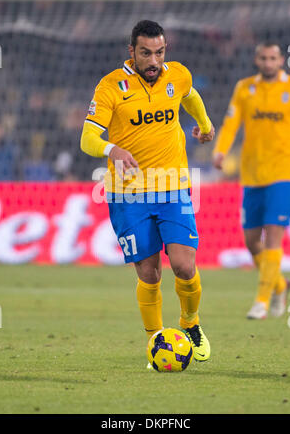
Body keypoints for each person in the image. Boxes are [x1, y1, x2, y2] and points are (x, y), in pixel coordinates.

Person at [80, 20, 215, 366]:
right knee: (150, 273)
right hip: (127, 194)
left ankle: (191, 324)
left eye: (159, 52)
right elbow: (88, 139)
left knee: (184, 265)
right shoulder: (111, 86)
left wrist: (204, 123)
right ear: (132, 52)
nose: (153, 60)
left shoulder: (177, 75)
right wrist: (113, 151)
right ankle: (156, 340)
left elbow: (190, 95)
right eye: (145, 53)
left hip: (172, 186)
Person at [212, 42, 290, 319]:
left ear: (281, 60)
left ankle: (261, 300)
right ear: (257, 59)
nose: (269, 62)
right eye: (264, 58)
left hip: (285, 173)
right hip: (252, 173)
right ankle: (281, 285)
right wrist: (221, 150)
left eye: (273, 58)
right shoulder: (244, 87)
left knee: (274, 235)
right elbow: (231, 123)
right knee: (251, 240)